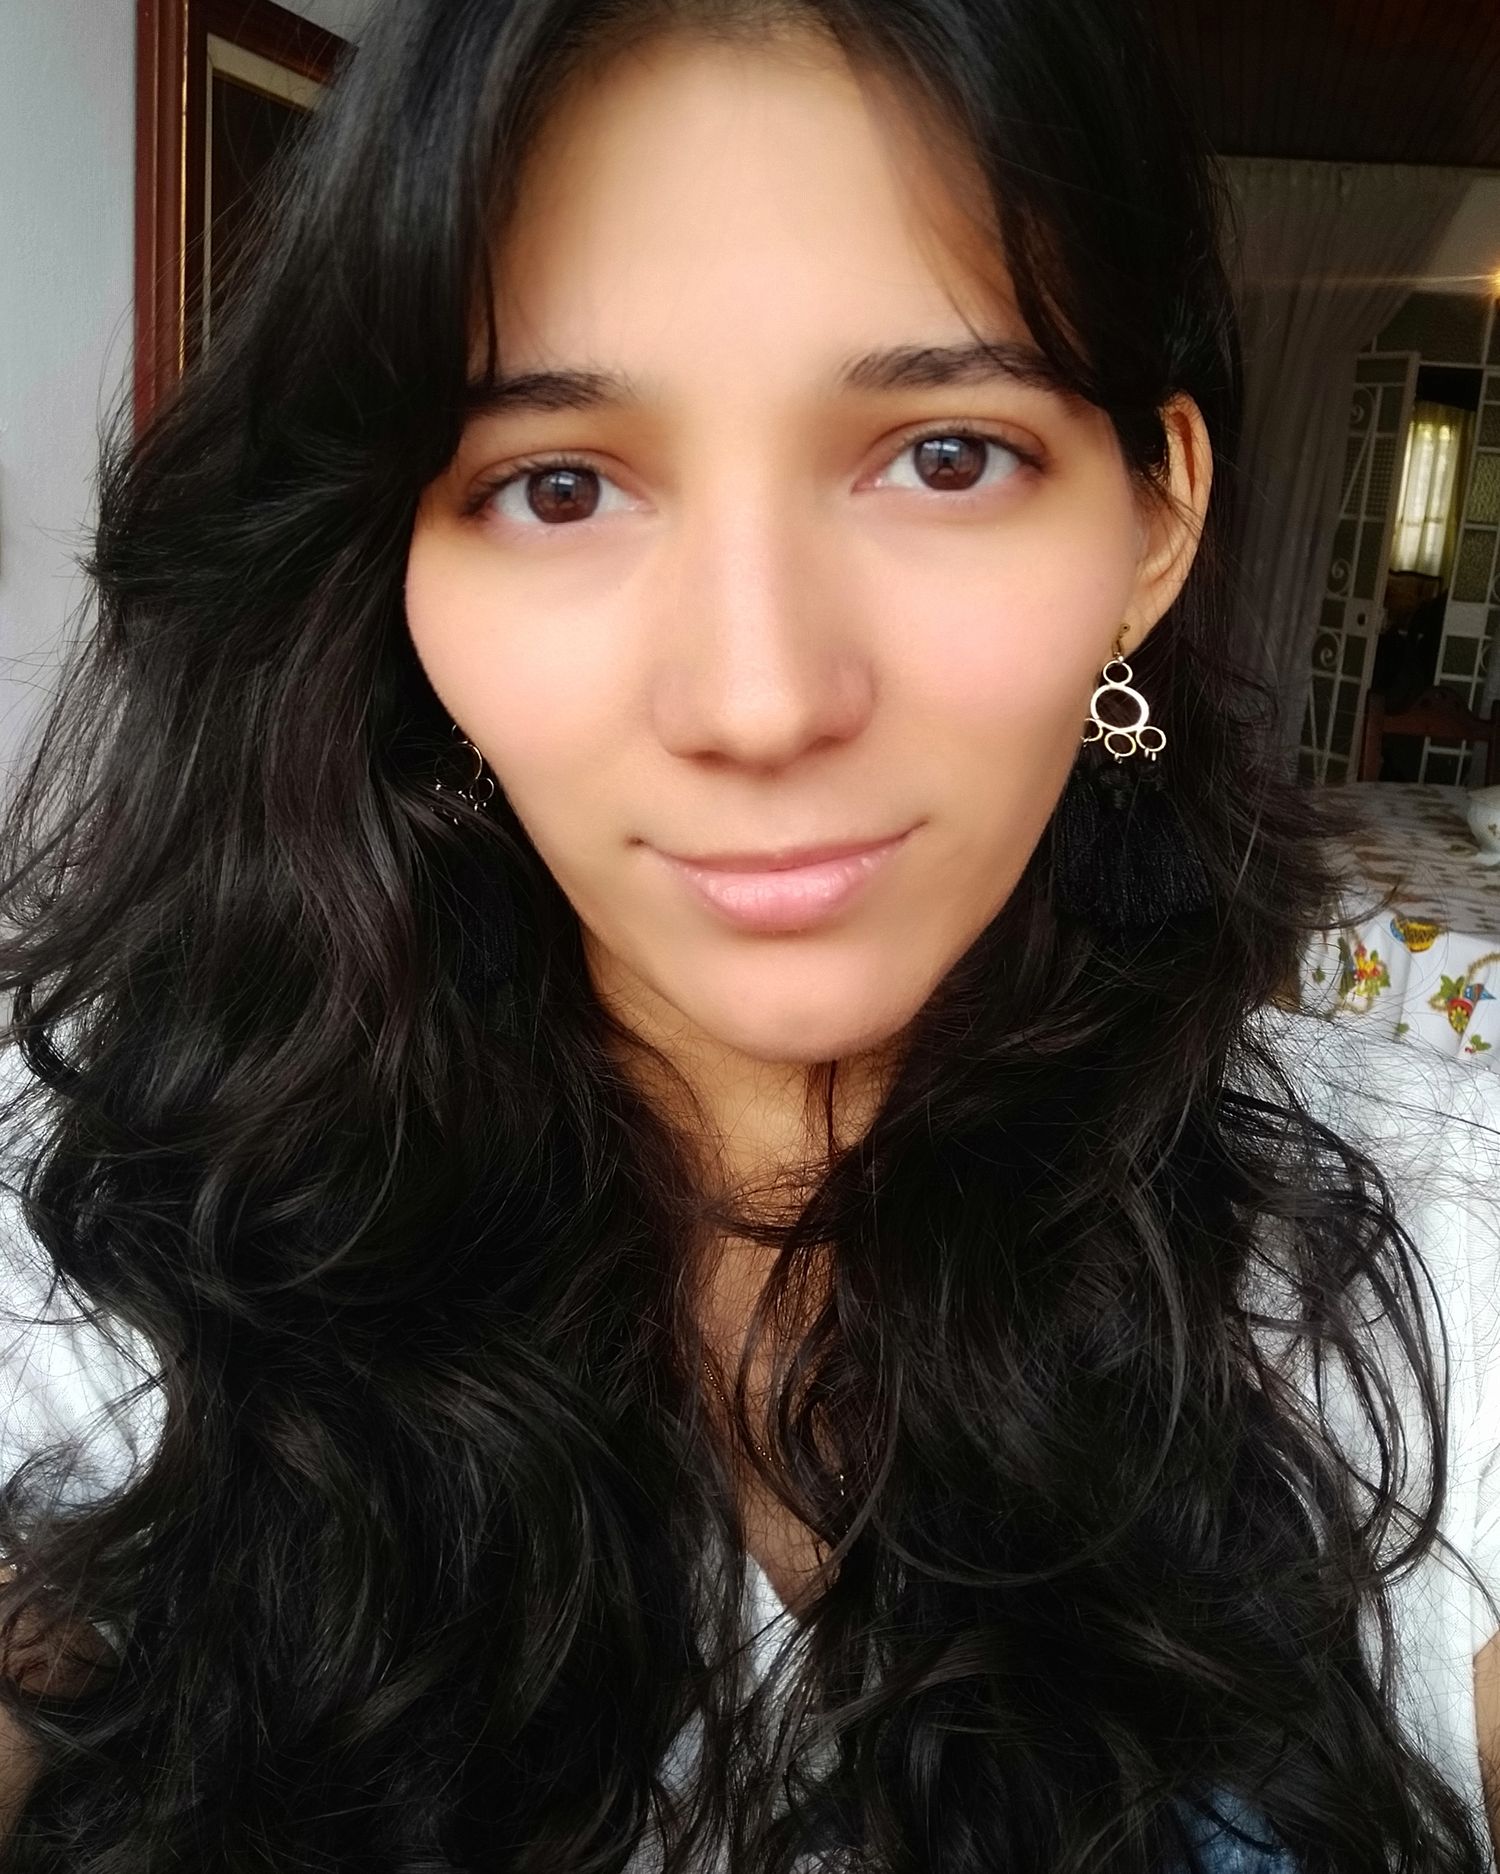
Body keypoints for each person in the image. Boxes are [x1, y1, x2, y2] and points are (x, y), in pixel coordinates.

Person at [0, 0, 1496, 1867]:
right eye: (558, 485)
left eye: (944, 456)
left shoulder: (1433, 1231)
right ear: (393, 569)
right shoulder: (115, 1239)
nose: (764, 699)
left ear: (1153, 523)